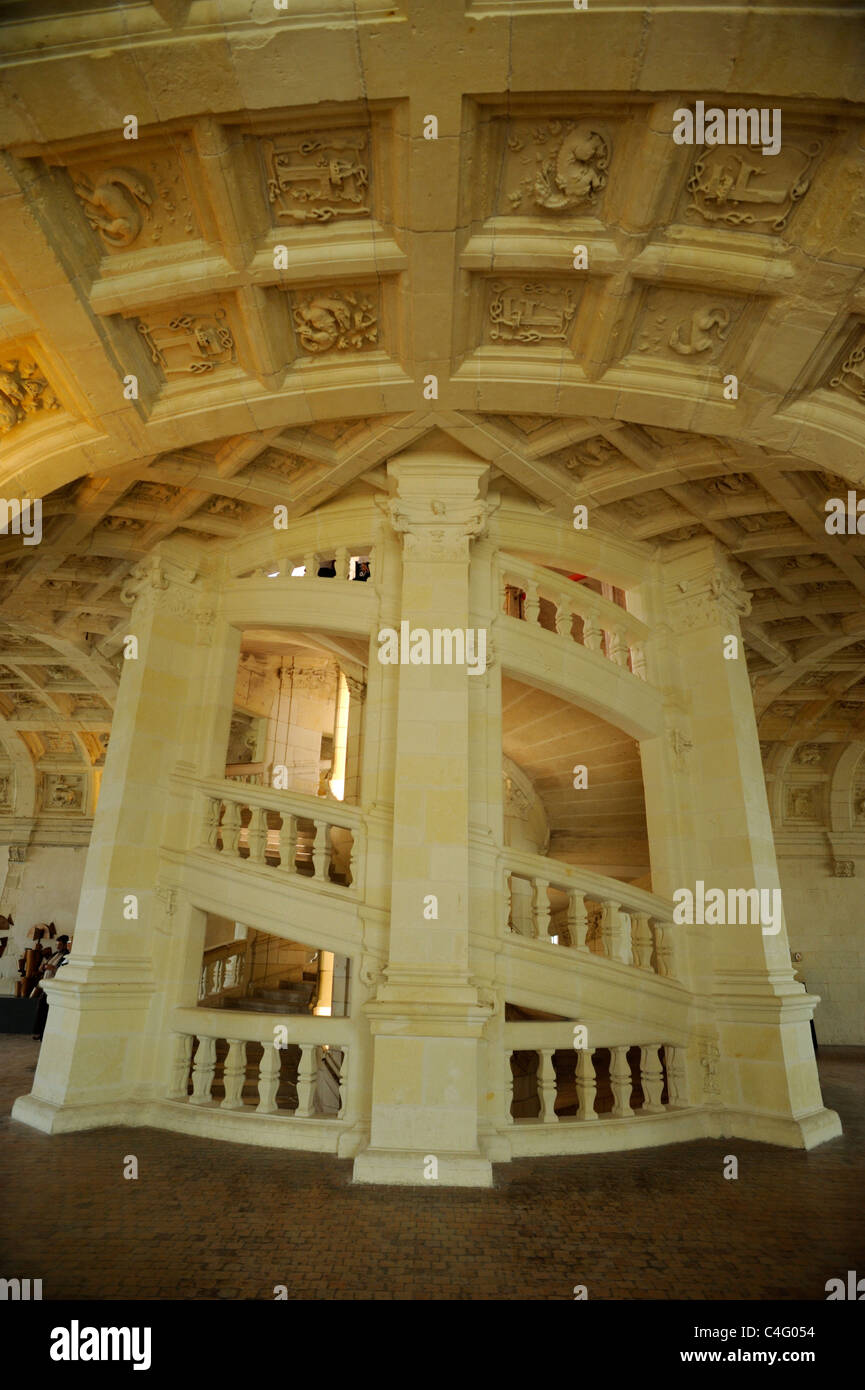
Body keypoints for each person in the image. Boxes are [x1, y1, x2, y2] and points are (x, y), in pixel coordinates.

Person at [31, 934, 71, 1041]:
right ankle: (40, 1033)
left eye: (60, 944)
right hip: (46, 986)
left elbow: (65, 972)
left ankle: (44, 1034)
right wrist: (43, 967)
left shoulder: (67, 957)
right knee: (42, 1010)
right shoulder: (54, 954)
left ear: (66, 945)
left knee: (47, 1012)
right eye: (57, 944)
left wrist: (53, 968)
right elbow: (45, 966)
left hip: (55, 988)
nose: (57, 947)